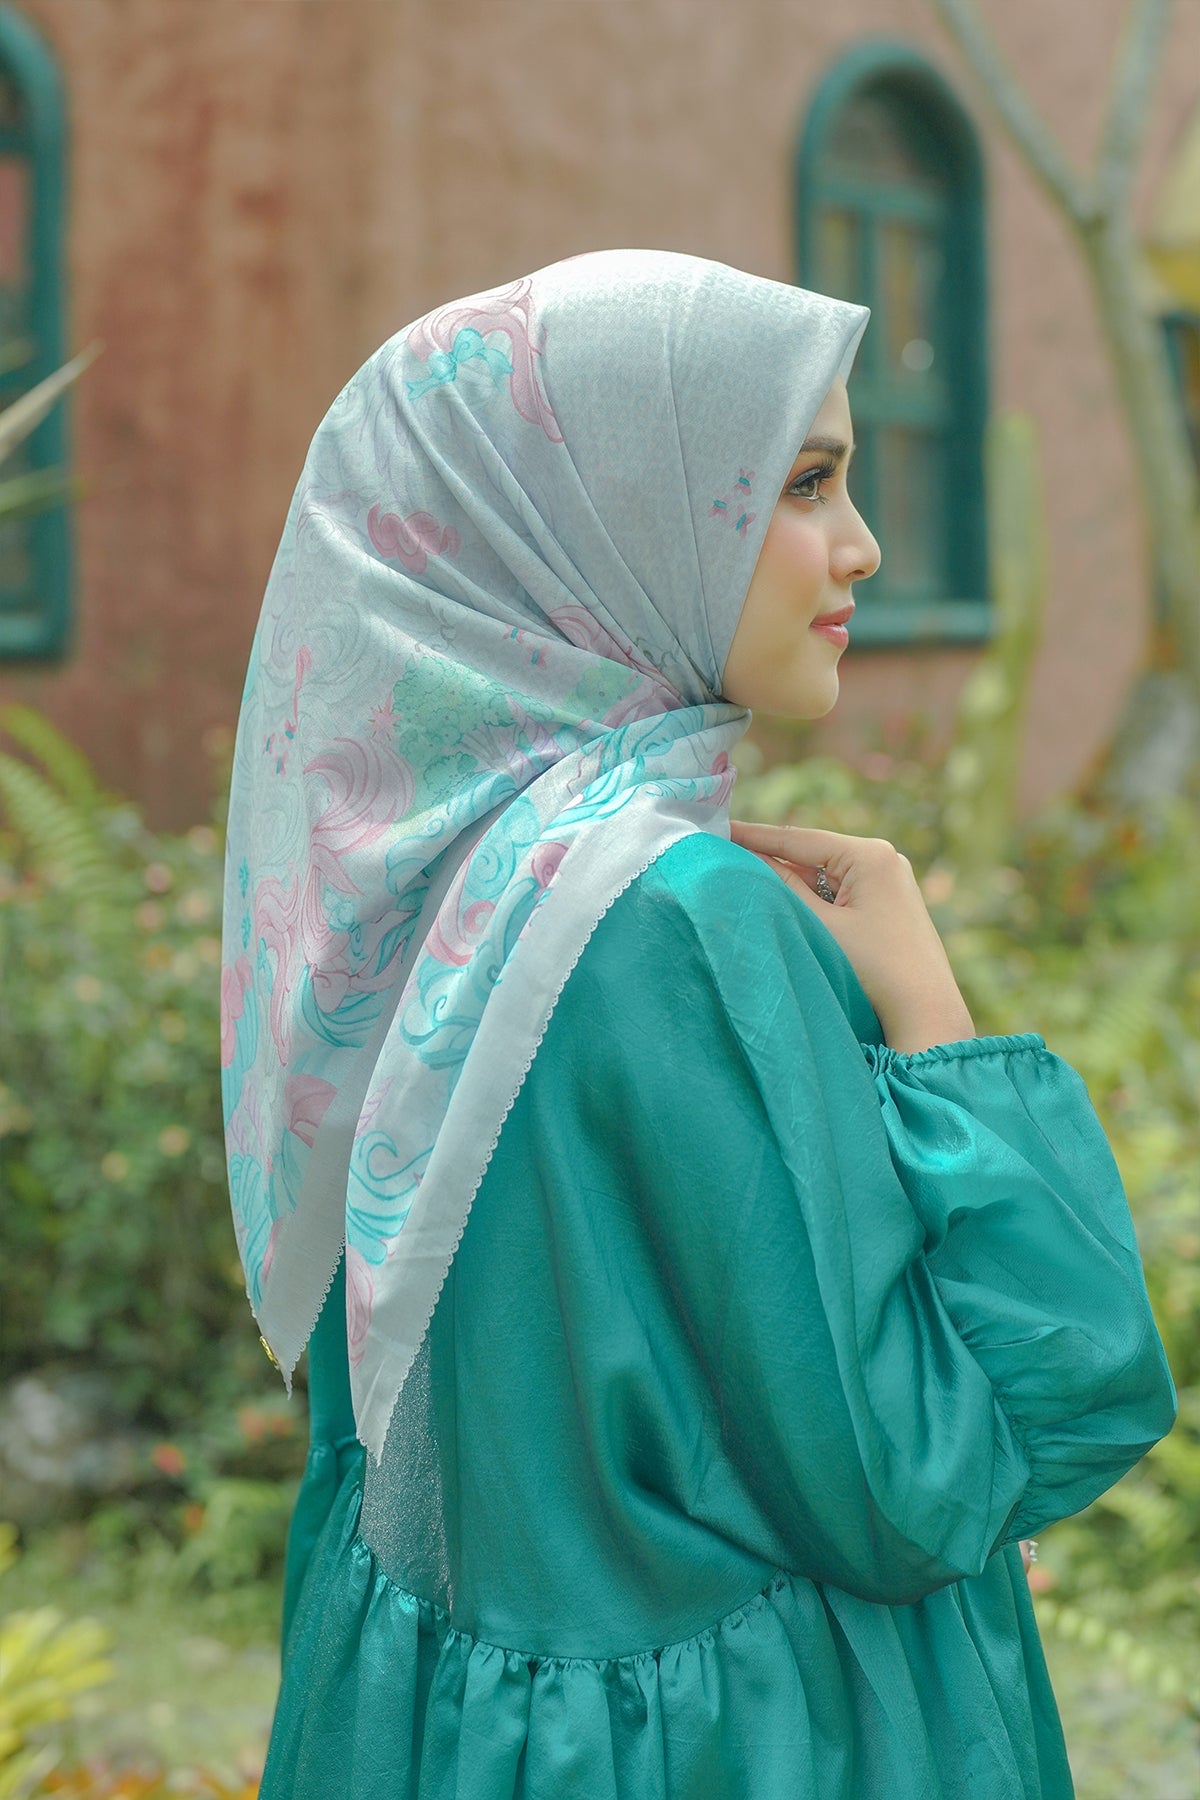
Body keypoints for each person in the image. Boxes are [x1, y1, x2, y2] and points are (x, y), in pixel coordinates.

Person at [219, 248, 1177, 1800]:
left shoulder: (427, 882)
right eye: (803, 483)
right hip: (751, 1743)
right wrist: (933, 1019)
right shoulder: (676, 917)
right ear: (609, 514)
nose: (862, 546)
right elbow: (937, 1466)